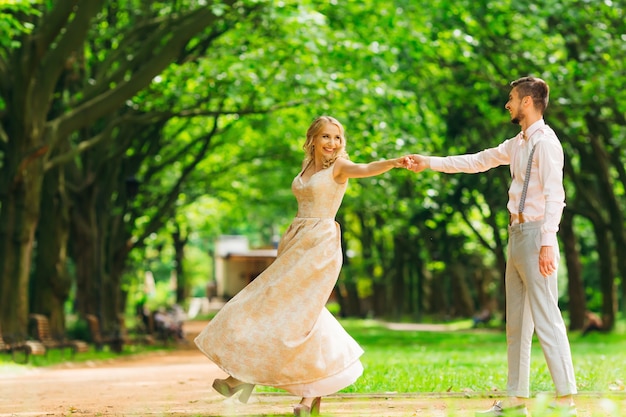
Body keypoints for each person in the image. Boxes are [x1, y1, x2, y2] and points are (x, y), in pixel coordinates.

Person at [194, 115, 412, 416]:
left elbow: (365, 169)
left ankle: (247, 381)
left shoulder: (339, 167)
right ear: (313, 139)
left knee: (298, 313)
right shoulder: (307, 167)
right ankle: (296, 394)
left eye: (337, 138)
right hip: (296, 242)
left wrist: (393, 162)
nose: (332, 143)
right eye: (326, 137)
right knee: (284, 309)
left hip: (320, 246)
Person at [408, 77, 577, 416]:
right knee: (516, 323)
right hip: (516, 236)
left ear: (527, 102)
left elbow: (555, 196)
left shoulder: (546, 143)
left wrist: (547, 243)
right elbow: (477, 160)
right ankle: (516, 398)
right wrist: (430, 161)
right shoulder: (517, 144)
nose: (507, 104)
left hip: (536, 237)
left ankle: (566, 401)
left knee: (547, 318)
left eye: (512, 98)